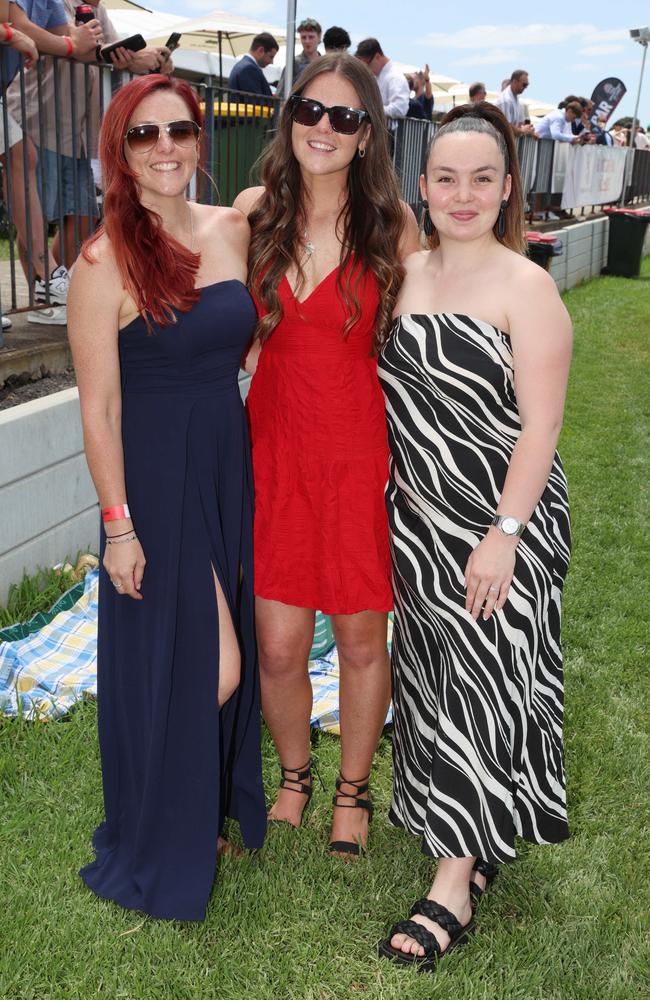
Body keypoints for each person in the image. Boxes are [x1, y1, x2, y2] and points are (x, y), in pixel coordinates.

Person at [377, 102, 572, 971]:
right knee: (433, 680)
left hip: (500, 518)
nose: (463, 195)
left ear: (505, 191)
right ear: (423, 185)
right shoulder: (403, 272)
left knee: (480, 681)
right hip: (417, 520)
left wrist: (504, 534)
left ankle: (451, 884)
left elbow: (539, 430)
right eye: (446, 179)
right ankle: (478, 834)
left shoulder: (525, 286)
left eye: (481, 180)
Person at [68, 74, 266, 921]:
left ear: (199, 137)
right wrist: (118, 525)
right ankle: (160, 829)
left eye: (178, 131)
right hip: (152, 472)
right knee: (208, 666)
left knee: (216, 649)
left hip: (225, 457)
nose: (164, 149)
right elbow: (99, 406)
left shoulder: (233, 228)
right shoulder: (103, 256)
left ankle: (205, 810)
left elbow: (244, 347)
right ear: (120, 151)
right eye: (142, 136)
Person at [233, 53, 419, 856]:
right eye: (311, 111)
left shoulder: (393, 226)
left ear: (367, 133)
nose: (324, 129)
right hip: (271, 453)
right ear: (289, 116)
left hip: (358, 459)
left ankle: (353, 786)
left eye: (345, 118)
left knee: (358, 642)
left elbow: (428, 344)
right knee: (275, 644)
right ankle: (295, 775)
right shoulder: (250, 214)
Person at [1, 0, 102, 323]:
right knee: (23, 159)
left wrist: (75, 41)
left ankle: (48, 278)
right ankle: (46, 279)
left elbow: (68, 40)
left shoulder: (53, 4)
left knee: (22, 156)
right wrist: (11, 33)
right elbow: (13, 22)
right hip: (33, 114)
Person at [355, 37, 409, 119]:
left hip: (390, 130)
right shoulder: (380, 76)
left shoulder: (395, 77)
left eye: (367, 65)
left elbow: (400, 109)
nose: (367, 70)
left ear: (377, 57)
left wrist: (372, 110)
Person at [276, 17, 321, 95]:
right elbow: (280, 93)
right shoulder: (293, 64)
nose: (307, 41)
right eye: (303, 37)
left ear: (319, 37)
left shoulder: (324, 64)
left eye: (311, 37)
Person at [228, 32, 278, 97]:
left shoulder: (243, 66)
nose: (271, 62)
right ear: (261, 50)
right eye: (271, 57)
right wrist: (274, 101)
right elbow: (256, 102)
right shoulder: (249, 69)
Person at [495, 69, 535, 135]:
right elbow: (507, 126)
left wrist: (527, 130)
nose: (526, 87)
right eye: (524, 85)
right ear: (515, 82)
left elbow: (518, 124)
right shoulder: (506, 100)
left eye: (527, 85)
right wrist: (522, 131)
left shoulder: (515, 98)